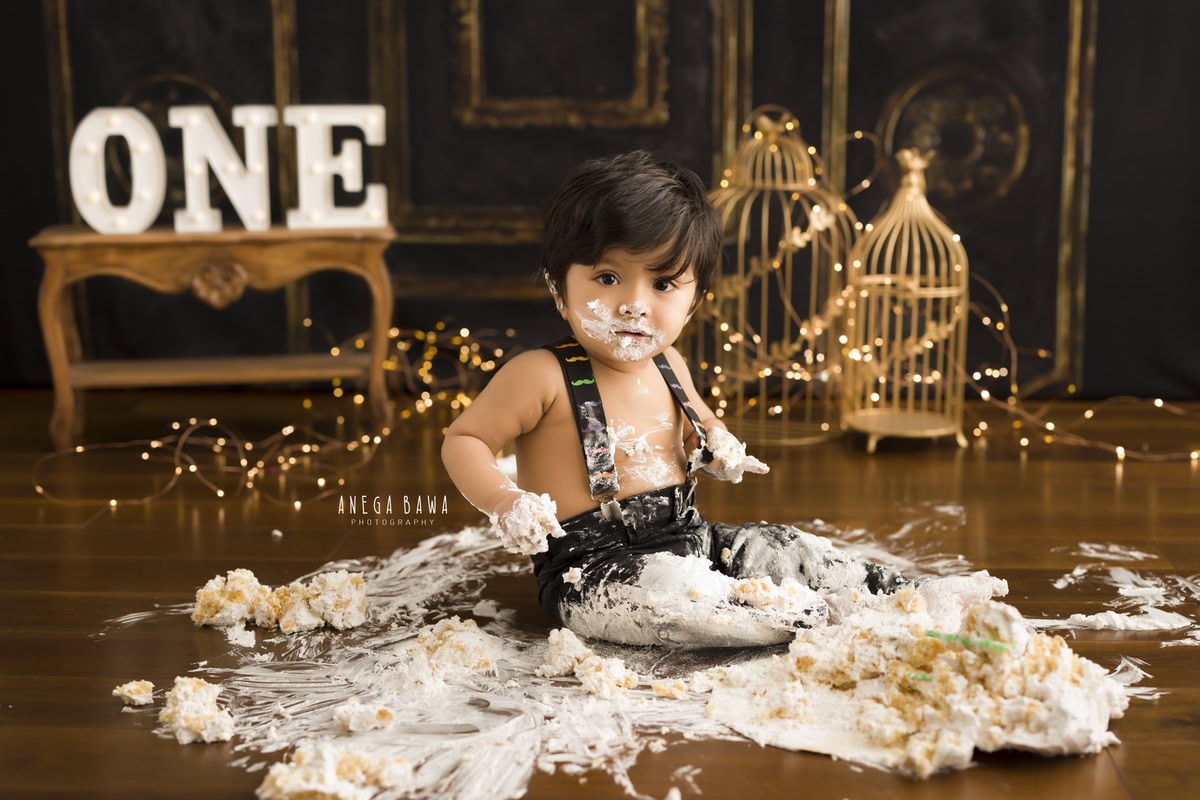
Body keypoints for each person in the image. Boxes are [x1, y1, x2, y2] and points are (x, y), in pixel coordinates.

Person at [441, 150, 912, 648]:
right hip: (593, 571)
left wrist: (716, 440)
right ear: (559, 289)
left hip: (691, 539)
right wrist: (505, 499)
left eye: (663, 283)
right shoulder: (541, 375)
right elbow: (465, 439)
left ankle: (898, 595)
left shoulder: (671, 366)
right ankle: (810, 620)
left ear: (694, 304)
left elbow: (699, 418)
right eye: (608, 277)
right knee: (672, 597)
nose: (635, 304)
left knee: (784, 548)